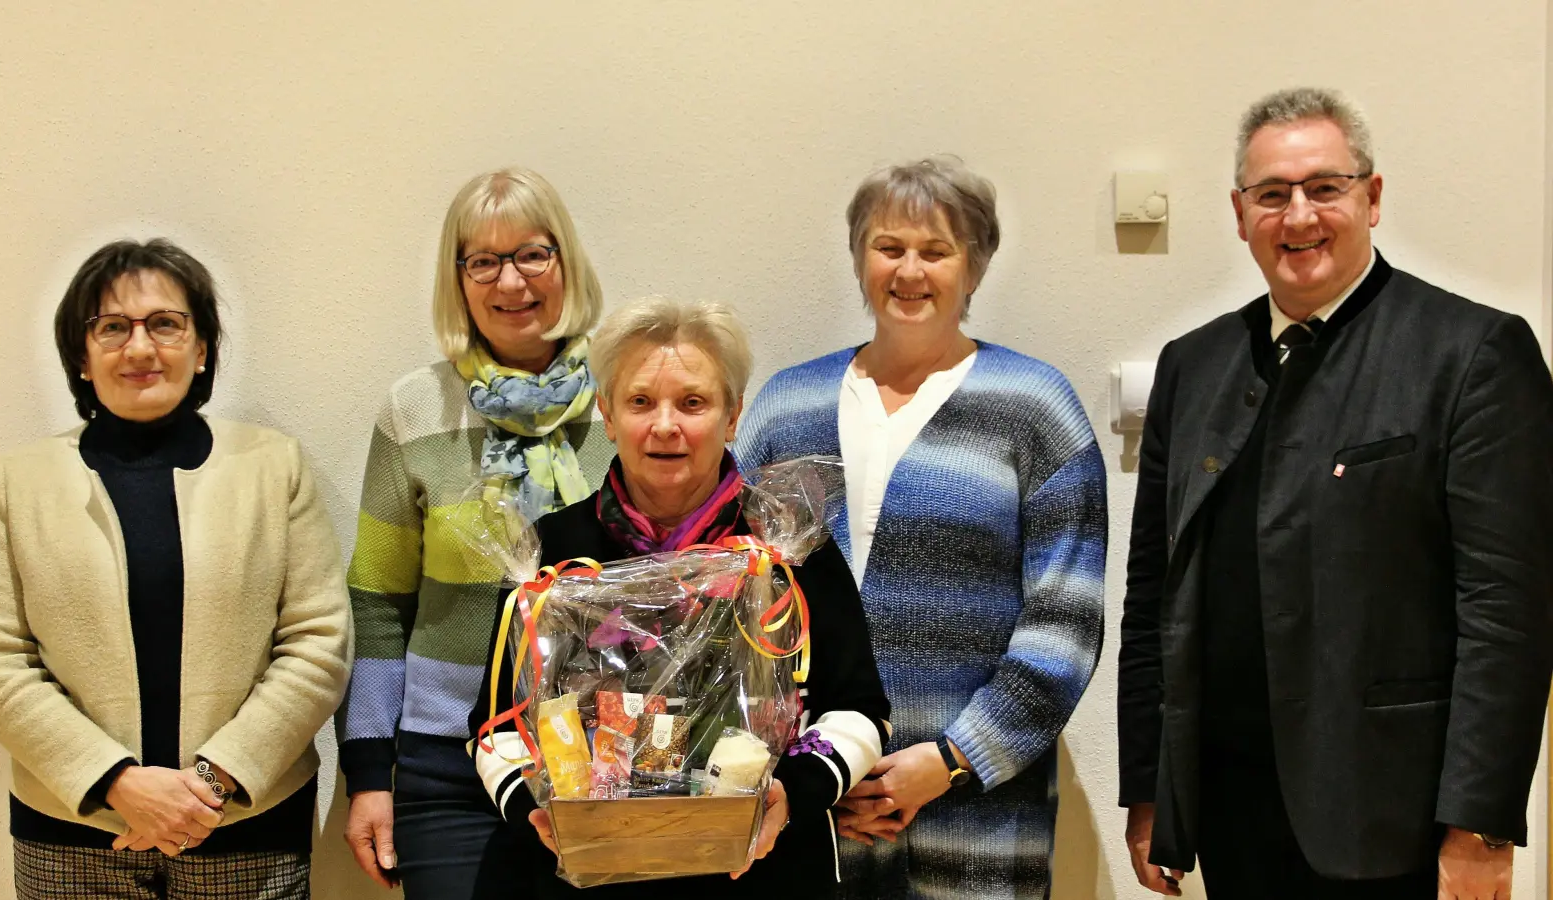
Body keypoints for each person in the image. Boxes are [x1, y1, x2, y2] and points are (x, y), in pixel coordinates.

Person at [1117, 87, 1553, 900]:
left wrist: (1481, 824)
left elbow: (1507, 613)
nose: (1299, 216)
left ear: (1372, 198)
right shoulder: (1193, 365)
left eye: (1325, 187)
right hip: (1231, 808)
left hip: (1394, 817)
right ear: (1240, 214)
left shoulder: (1473, 353)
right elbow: (1153, 599)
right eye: (1272, 195)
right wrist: (1150, 792)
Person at [735, 156, 1107, 899]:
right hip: (808, 812)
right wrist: (809, 775)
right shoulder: (785, 408)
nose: (910, 271)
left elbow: (1065, 621)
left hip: (977, 814)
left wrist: (953, 759)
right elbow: (736, 606)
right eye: (889, 247)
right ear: (859, 259)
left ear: (975, 267)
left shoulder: (1037, 409)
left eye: (936, 251)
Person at [0, 238, 352, 900]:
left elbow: (317, 643)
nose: (140, 347)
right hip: (71, 834)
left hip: (245, 827)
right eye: (112, 327)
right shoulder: (15, 482)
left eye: (165, 323)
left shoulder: (273, 466)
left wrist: (210, 781)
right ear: (80, 357)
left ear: (202, 349)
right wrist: (116, 781)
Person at [467, 296, 892, 898]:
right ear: (608, 414)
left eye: (693, 403)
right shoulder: (555, 554)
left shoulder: (788, 553)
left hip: (763, 871)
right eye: (640, 401)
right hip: (582, 874)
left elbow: (860, 710)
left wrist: (793, 792)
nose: (665, 425)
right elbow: (495, 725)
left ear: (733, 415)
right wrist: (534, 810)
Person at [337, 167, 614, 897]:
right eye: (483, 261)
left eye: (532, 254)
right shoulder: (415, 408)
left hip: (609, 758)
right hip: (448, 764)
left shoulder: (630, 396)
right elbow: (377, 601)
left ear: (566, 261)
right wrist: (369, 774)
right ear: (457, 279)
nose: (511, 282)